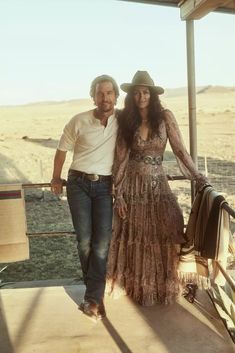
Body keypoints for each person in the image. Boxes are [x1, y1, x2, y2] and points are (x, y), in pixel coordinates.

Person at [106, 70, 208, 306]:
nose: (141, 96)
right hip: (132, 187)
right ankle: (138, 287)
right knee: (136, 235)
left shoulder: (164, 117)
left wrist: (197, 176)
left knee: (169, 224)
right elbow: (120, 158)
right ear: (131, 96)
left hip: (158, 186)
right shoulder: (125, 120)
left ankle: (163, 285)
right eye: (137, 92)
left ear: (152, 95)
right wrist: (118, 193)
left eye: (145, 92)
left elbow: (180, 149)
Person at [51, 74, 119, 319]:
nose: (105, 98)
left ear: (116, 96)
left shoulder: (121, 121)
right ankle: (94, 296)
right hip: (78, 184)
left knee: (101, 244)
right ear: (93, 96)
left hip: (104, 188)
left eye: (109, 93)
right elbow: (61, 151)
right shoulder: (78, 120)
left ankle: (92, 297)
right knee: (84, 241)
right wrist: (56, 177)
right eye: (100, 93)